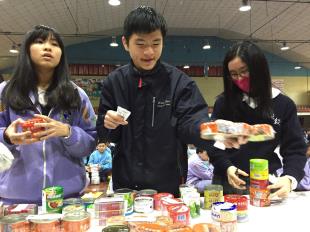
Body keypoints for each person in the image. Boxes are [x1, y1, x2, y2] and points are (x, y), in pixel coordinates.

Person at [0, 25, 97, 204]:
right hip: (16, 199)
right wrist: (6, 136)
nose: (47, 47)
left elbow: (90, 143)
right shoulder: (5, 93)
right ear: (27, 49)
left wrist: (68, 132)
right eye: (39, 42)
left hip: (67, 199)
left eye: (55, 44)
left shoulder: (76, 95)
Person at [210, 41, 307, 199]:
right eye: (234, 74)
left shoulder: (283, 104)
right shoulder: (224, 103)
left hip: (266, 181)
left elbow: (295, 149)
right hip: (228, 180)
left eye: (244, 71)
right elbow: (216, 144)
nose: (240, 79)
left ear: (259, 69)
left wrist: (290, 178)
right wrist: (227, 167)